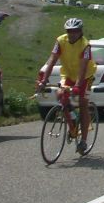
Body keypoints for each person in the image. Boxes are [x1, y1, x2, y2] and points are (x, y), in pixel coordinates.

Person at [36, 17, 97, 155]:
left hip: (86, 76)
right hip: (68, 74)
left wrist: (77, 86)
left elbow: (82, 68)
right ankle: (72, 121)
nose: (72, 34)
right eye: (69, 31)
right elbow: (52, 60)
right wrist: (44, 80)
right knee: (60, 95)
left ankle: (84, 141)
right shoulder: (60, 41)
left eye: (75, 31)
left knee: (83, 103)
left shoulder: (85, 45)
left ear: (80, 32)